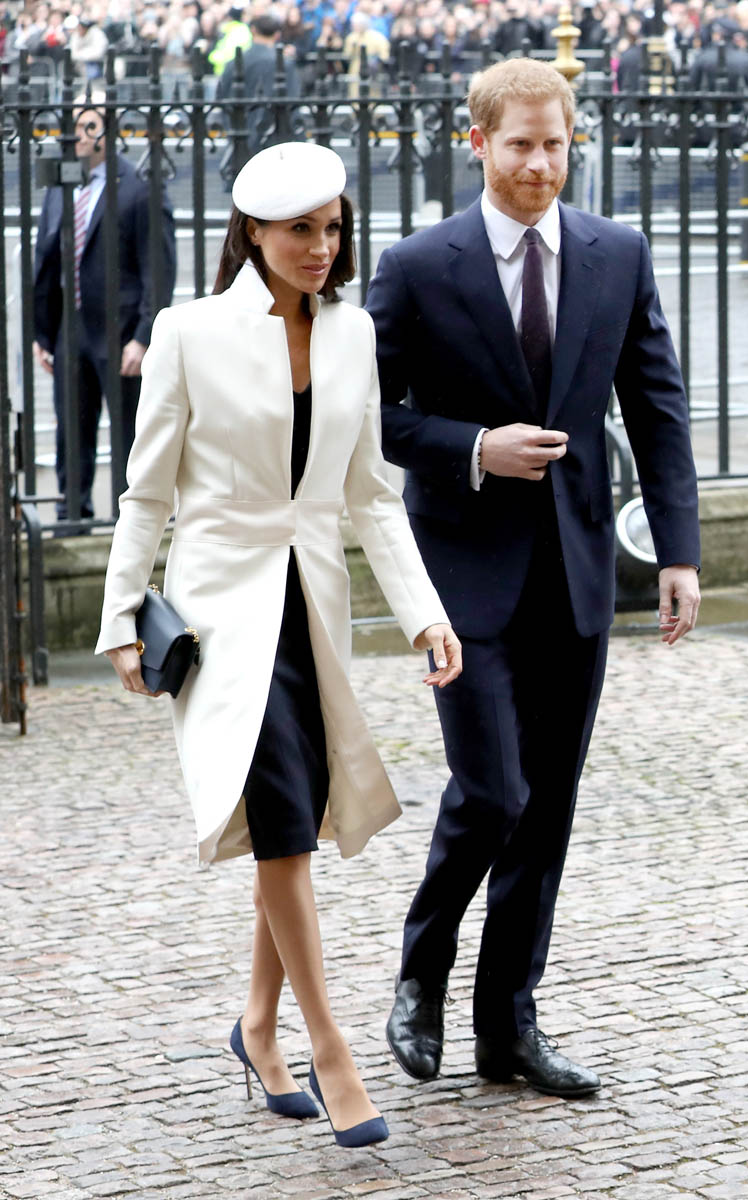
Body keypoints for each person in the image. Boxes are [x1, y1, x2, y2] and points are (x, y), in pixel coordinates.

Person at [95, 142, 462, 1148]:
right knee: (284, 826)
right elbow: (145, 493)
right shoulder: (188, 333)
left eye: (332, 228)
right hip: (221, 618)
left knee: (288, 821)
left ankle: (256, 1027)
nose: (321, 246)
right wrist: (121, 615)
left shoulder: (353, 332)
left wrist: (426, 613)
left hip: (314, 609)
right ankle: (330, 1049)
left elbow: (371, 494)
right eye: (300, 229)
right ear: (252, 232)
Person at [367, 57, 701, 1098]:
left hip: (576, 571)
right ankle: (421, 972)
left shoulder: (618, 253)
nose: (538, 165)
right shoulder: (417, 266)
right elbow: (367, 418)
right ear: (478, 143)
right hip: (462, 575)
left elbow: (656, 405)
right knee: (492, 792)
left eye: (554, 144)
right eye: (518, 144)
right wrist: (474, 446)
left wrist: (678, 551)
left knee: (545, 808)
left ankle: (507, 1025)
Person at [33, 96, 176, 522]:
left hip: (122, 331)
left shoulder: (139, 186)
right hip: (70, 328)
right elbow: (47, 258)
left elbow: (158, 267)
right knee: (71, 430)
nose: (76, 134)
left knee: (130, 434)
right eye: (72, 125)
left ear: (109, 133)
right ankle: (72, 518)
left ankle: (132, 523)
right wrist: (43, 333)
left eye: (88, 125)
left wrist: (143, 336)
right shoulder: (61, 184)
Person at [216, 15, 301, 153]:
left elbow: (222, 98)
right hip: (274, 142)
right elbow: (292, 105)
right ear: (277, 35)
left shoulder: (233, 63)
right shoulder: (284, 64)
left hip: (240, 135)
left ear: (253, 30)